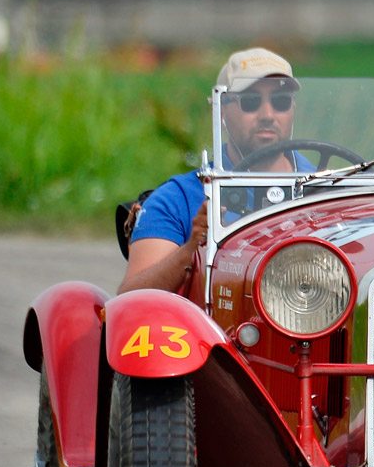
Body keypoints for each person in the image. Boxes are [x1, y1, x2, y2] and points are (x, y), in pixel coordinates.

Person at [119, 48, 303, 294]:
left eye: (281, 101)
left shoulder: (335, 188)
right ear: (221, 111)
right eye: (250, 102)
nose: (268, 115)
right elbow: (131, 299)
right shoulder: (177, 199)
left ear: (293, 109)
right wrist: (194, 247)